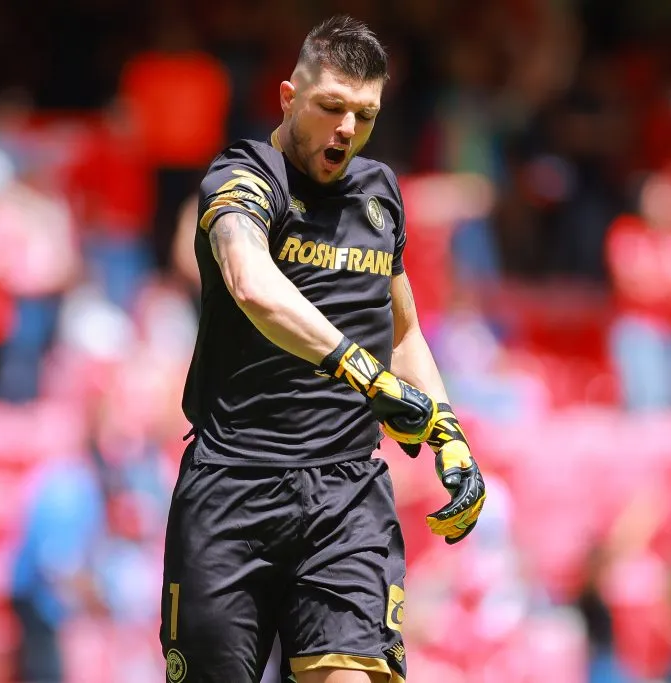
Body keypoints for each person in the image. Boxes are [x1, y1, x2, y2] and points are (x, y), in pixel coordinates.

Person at [161, 15, 487, 683]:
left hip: (346, 496)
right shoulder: (246, 176)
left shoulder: (381, 195)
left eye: (363, 114)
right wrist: (366, 377)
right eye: (329, 106)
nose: (345, 128)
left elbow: (403, 332)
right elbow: (252, 284)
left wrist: (449, 431)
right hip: (233, 488)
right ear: (288, 97)